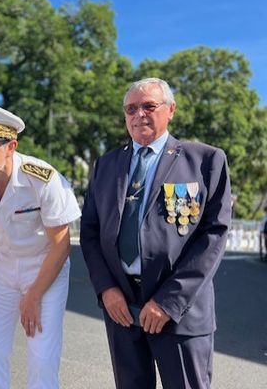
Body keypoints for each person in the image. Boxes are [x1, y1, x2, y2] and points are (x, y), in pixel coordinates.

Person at [80, 77, 231, 388]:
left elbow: (212, 236)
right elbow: (91, 232)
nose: (139, 115)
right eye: (131, 109)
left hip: (180, 312)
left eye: (149, 106)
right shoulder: (106, 166)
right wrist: (107, 290)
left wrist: (168, 302)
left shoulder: (205, 161)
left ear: (171, 110)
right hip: (122, 309)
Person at [0, 103, 81, 389]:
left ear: (11, 146)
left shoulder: (41, 179)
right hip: (2, 268)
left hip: (45, 268)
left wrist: (34, 295)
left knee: (42, 356)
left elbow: (61, 246)